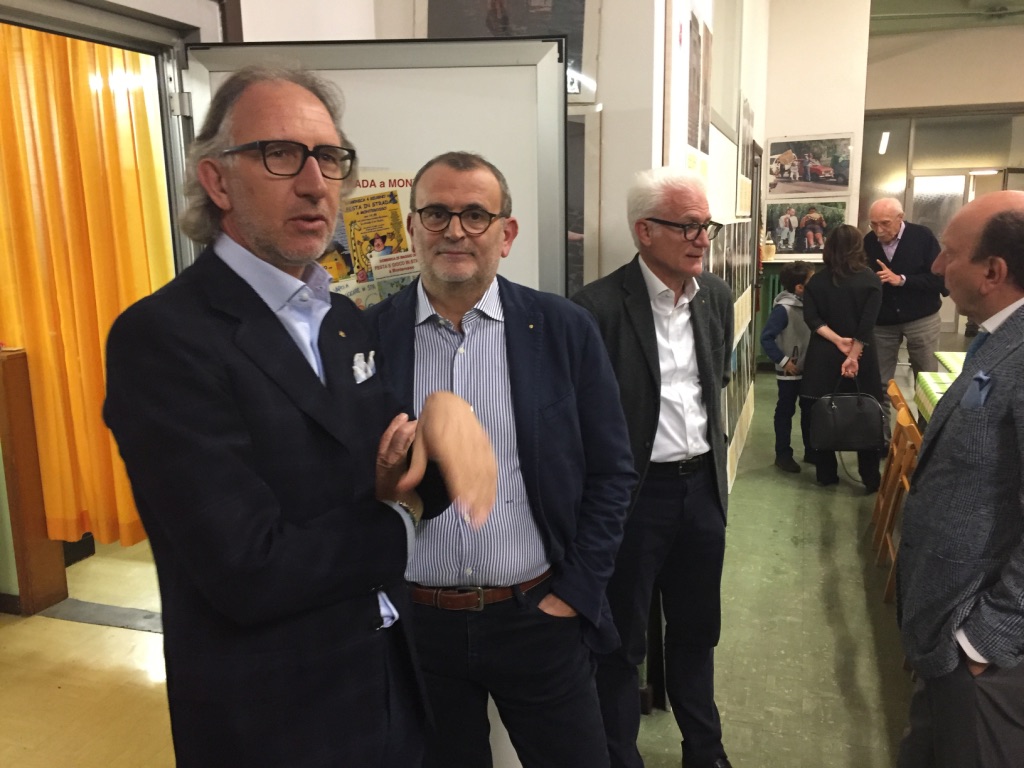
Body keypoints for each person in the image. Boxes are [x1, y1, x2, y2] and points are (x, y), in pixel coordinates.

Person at [103, 67, 496, 767]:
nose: (316, 183)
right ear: (217, 181)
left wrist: (441, 419)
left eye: (330, 157)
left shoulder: (341, 318)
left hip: (390, 684)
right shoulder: (164, 338)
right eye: (280, 154)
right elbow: (249, 568)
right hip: (275, 718)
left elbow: (404, 470)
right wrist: (401, 515)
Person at [366, 151, 637, 768]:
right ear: (412, 228)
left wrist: (577, 592)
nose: (454, 231)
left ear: (506, 234)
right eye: (436, 214)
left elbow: (612, 472)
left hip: (537, 617)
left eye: (475, 215)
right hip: (418, 628)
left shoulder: (563, 329)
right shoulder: (369, 338)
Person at [572, 168, 734, 768]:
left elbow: (712, 383)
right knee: (621, 642)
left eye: (707, 225)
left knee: (697, 631)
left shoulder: (714, 296)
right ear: (645, 231)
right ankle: (621, 757)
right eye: (688, 226)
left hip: (702, 491)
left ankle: (705, 753)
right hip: (635, 500)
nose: (702, 238)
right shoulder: (595, 309)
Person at [896, 190, 1024, 767]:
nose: (936, 265)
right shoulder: (996, 338)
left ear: (992, 272)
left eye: (950, 253)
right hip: (947, 629)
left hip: (981, 654)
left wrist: (984, 639)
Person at [799, 224, 883, 491]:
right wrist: (854, 354)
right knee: (866, 412)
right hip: (862, 355)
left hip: (824, 354)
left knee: (822, 411)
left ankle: (826, 474)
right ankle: (870, 476)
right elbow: (867, 324)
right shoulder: (870, 280)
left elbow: (812, 319)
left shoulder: (817, 282)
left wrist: (837, 341)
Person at [865, 197, 946, 386]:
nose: (879, 230)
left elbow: (939, 279)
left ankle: (924, 409)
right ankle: (882, 408)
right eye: (874, 224)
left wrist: (901, 280)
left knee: (926, 379)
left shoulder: (922, 237)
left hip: (922, 318)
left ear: (900, 217)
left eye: (885, 223)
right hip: (883, 321)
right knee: (879, 381)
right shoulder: (868, 242)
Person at [760, 260, 815, 473]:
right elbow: (766, 338)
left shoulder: (810, 304)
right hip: (789, 373)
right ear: (799, 287)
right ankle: (783, 455)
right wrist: (784, 361)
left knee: (809, 411)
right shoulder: (783, 310)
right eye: (811, 281)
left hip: (808, 369)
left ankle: (811, 451)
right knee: (785, 411)